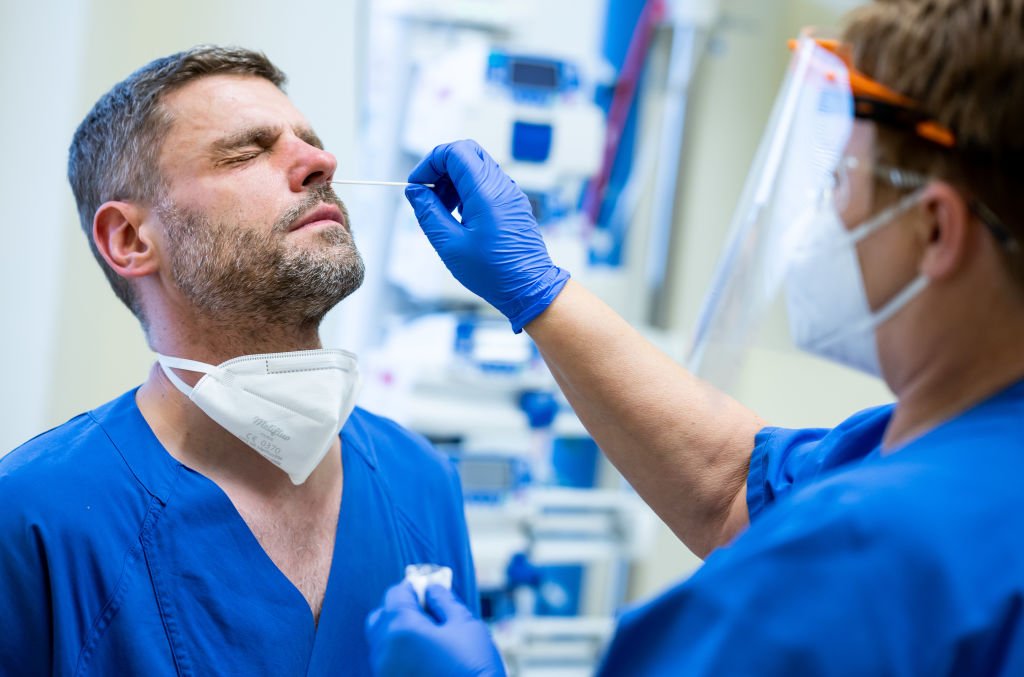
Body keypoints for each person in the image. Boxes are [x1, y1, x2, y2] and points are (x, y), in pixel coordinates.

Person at [365, 1, 1024, 674]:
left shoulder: (848, 564)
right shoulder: (949, 462)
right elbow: (736, 487)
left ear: (937, 229)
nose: (827, 213)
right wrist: (538, 291)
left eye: (842, 180)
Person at [0, 46, 477, 675]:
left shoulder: (421, 480)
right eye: (248, 151)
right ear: (130, 239)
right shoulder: (34, 517)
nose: (321, 162)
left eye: (312, 141)